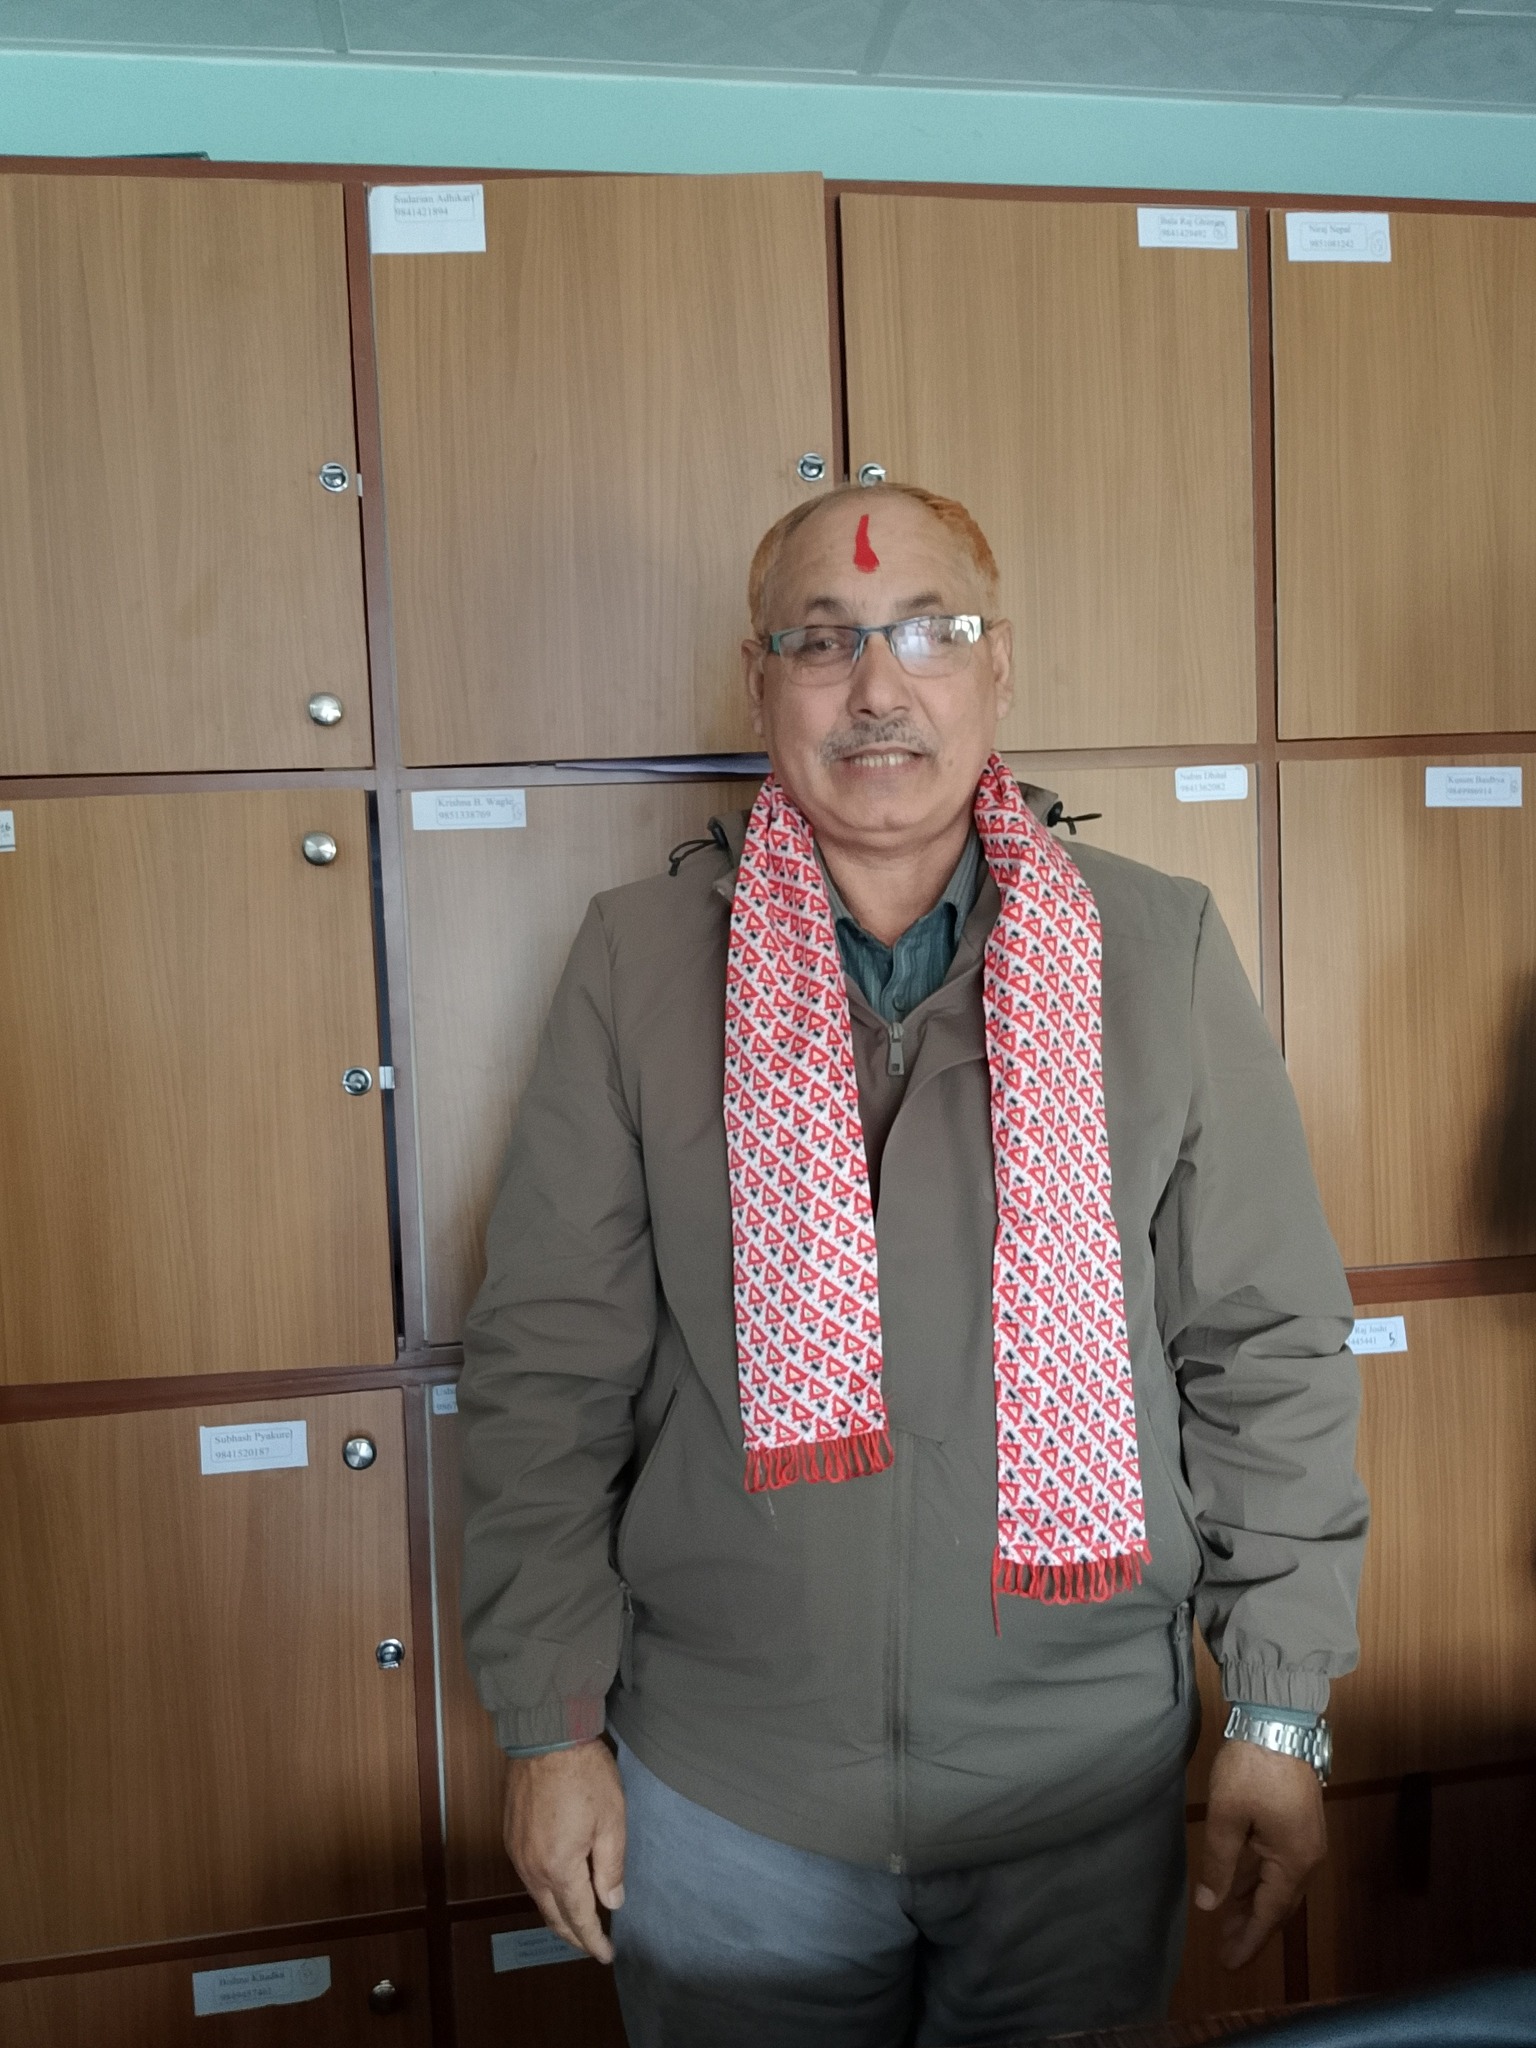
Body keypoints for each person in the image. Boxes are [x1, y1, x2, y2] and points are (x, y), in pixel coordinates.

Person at [459, 481, 1368, 2047]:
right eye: (824, 639)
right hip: (730, 1796)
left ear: (998, 667)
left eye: (928, 632)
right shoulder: (637, 961)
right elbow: (548, 1373)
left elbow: (1265, 1346)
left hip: (1078, 1788)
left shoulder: (1155, 952)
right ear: (761, 681)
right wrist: (548, 1727)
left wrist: (1282, 1706)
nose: (878, 686)